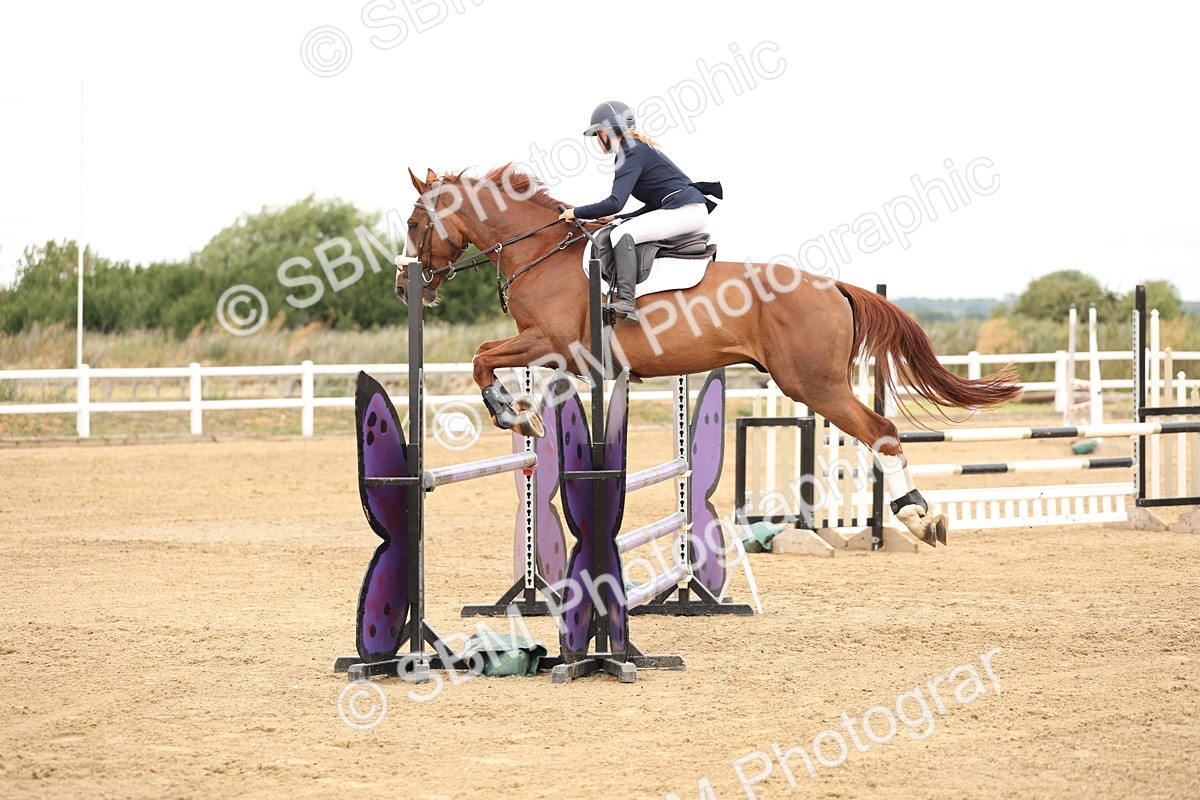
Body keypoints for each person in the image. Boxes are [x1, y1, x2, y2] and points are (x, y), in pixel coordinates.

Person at [559, 100, 720, 324]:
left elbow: (615, 202)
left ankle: (627, 300)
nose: (597, 140)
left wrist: (576, 212)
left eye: (596, 135)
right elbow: (651, 207)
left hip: (686, 210)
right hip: (686, 209)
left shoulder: (629, 151)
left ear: (605, 133)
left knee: (619, 235)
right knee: (620, 227)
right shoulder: (634, 148)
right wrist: (618, 218)